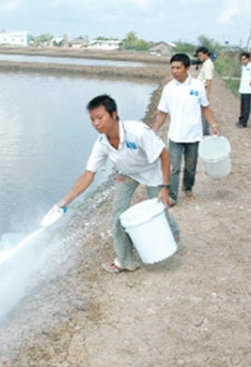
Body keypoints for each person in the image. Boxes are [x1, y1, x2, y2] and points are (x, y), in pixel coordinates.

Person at [53, 94, 180, 274]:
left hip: (153, 170)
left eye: (99, 118)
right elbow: (89, 174)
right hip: (128, 174)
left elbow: (164, 155)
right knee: (118, 216)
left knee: (158, 209)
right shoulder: (101, 143)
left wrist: (166, 188)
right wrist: (65, 201)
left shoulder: (138, 132)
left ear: (113, 115)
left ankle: (173, 231)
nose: (96, 123)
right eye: (92, 120)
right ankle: (125, 260)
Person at [152, 53, 220, 206]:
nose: (174, 71)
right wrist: (153, 130)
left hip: (194, 136)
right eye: (172, 68)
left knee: (190, 167)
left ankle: (188, 188)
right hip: (175, 135)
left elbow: (205, 108)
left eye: (178, 68)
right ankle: (172, 196)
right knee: (174, 168)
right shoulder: (169, 89)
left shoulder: (197, 87)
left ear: (187, 68)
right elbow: (162, 113)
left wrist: (214, 125)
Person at [195, 46, 215, 135]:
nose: (200, 57)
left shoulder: (208, 65)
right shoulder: (206, 63)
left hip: (204, 88)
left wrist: (207, 94)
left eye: (200, 55)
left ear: (206, 54)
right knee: (201, 109)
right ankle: (203, 129)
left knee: (204, 109)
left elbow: (209, 80)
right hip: (201, 88)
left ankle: (205, 131)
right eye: (198, 56)